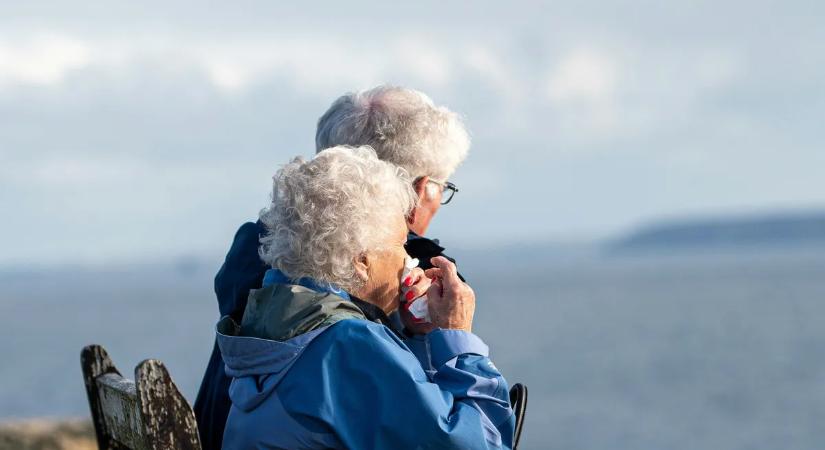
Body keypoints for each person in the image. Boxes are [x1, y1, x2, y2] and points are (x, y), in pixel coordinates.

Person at [194, 86, 471, 449]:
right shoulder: (393, 277)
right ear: (418, 189)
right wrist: (449, 339)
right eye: (441, 186)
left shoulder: (260, 247)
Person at [218, 146, 514, 449]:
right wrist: (456, 339)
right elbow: (480, 443)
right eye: (400, 243)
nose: (407, 257)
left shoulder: (277, 322)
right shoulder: (347, 344)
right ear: (361, 262)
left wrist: (416, 334)